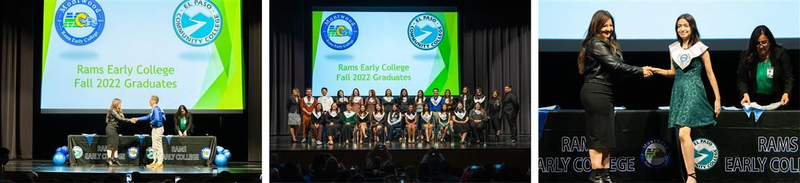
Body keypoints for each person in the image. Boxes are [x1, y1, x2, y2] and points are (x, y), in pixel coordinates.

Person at [576, 10, 652, 183]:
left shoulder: (610, 44)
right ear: (596, 25)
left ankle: (605, 175)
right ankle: (596, 176)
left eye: (611, 25)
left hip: (606, 93)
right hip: (595, 91)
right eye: (605, 25)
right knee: (598, 136)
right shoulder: (596, 43)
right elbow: (615, 66)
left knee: (606, 137)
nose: (609, 28)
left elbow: (619, 66)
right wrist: (640, 71)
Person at [649, 13, 720, 183]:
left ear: (692, 27)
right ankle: (690, 175)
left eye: (685, 25)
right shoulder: (674, 48)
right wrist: (656, 70)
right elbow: (673, 72)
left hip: (694, 90)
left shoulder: (701, 48)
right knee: (682, 135)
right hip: (679, 92)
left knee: (683, 133)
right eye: (679, 26)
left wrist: (717, 98)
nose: (682, 29)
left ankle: (691, 176)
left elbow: (710, 74)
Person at [737, 25, 794, 107]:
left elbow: (788, 77)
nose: (761, 46)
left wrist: (786, 93)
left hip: (776, 99)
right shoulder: (747, 55)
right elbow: (741, 79)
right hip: (754, 100)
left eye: (764, 42)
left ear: (770, 41)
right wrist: (745, 94)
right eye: (757, 43)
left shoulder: (780, 53)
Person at [133, 95, 167, 168]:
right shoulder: (153, 109)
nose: (149, 102)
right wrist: (137, 119)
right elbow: (147, 117)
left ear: (153, 101)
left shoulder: (156, 109)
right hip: (155, 129)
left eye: (150, 100)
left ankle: (160, 162)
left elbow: (157, 119)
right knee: (154, 146)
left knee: (158, 145)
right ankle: (155, 161)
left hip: (158, 128)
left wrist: (151, 123)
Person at [105, 98, 133, 166]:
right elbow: (120, 119)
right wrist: (130, 120)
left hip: (116, 129)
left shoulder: (118, 111)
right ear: (116, 104)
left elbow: (122, 119)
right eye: (119, 104)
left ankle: (115, 159)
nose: (120, 105)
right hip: (111, 129)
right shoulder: (112, 110)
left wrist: (122, 114)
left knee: (115, 145)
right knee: (111, 144)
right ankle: (108, 160)